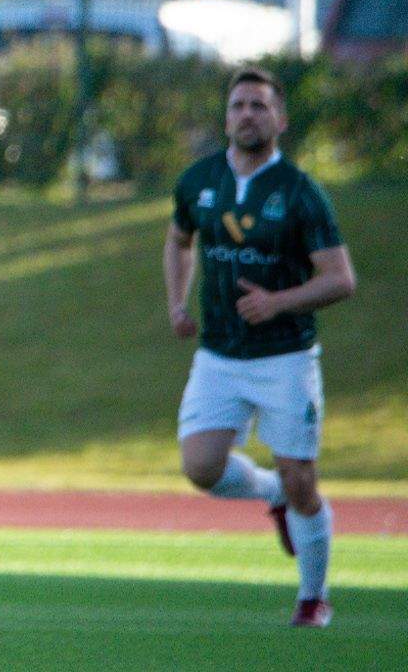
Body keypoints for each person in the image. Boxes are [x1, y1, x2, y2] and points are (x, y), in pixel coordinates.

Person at [166, 66, 357, 628]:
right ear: (226, 117)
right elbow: (180, 240)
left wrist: (280, 301)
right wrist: (179, 303)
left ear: (280, 119)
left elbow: (341, 279)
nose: (247, 114)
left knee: (305, 483)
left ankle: (313, 596)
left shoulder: (300, 193)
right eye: (238, 105)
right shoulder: (199, 180)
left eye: (258, 106)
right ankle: (268, 490)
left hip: (285, 356)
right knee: (201, 467)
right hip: (220, 355)